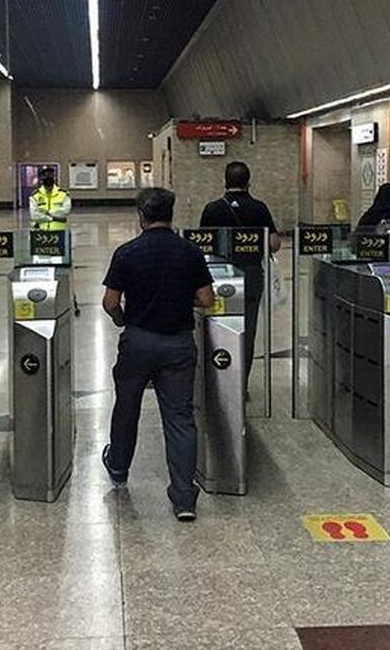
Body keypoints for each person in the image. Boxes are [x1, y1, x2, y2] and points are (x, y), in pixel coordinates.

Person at [101, 187, 215, 521]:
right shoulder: (190, 252)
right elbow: (206, 299)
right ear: (171, 214)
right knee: (180, 418)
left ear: (141, 216)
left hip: (138, 341)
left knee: (127, 407)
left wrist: (123, 320)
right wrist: (179, 299)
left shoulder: (127, 252)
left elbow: (110, 302)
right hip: (178, 344)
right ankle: (183, 498)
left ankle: (118, 468)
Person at [199, 161, 282, 383]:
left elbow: (203, 244)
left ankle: (218, 380)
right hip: (251, 275)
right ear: (248, 182)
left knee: (216, 324)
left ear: (225, 181)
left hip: (219, 276)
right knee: (247, 329)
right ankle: (241, 383)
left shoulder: (212, 208)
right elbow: (274, 244)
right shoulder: (259, 208)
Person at [29, 166, 72, 230]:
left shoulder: (63, 194)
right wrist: (53, 218)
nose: (48, 177)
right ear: (42, 179)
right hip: (40, 231)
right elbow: (34, 216)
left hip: (59, 231)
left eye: (50, 175)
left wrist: (47, 213)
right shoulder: (35, 196)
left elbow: (65, 211)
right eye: (45, 175)